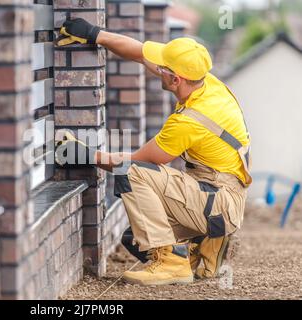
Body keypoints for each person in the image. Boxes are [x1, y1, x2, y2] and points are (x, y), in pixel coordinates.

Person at [55, 18, 252, 286]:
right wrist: (94, 34)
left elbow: (135, 162)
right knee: (134, 238)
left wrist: (84, 155)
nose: (156, 68)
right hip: (218, 194)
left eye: (162, 68)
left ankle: (172, 263)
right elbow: (138, 52)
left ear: (175, 78)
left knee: (133, 173)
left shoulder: (190, 121)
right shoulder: (204, 82)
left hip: (219, 201)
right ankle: (203, 247)